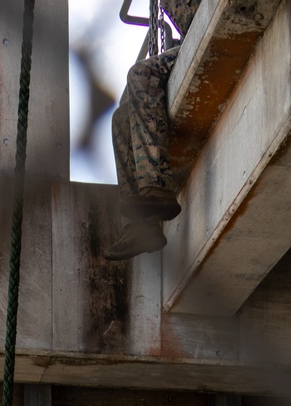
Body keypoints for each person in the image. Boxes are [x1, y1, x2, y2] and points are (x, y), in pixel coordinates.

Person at [104, 0, 201, 261]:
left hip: (202, 30)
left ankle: (155, 186)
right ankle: (139, 227)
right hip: (190, 40)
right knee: (121, 119)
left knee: (140, 75)